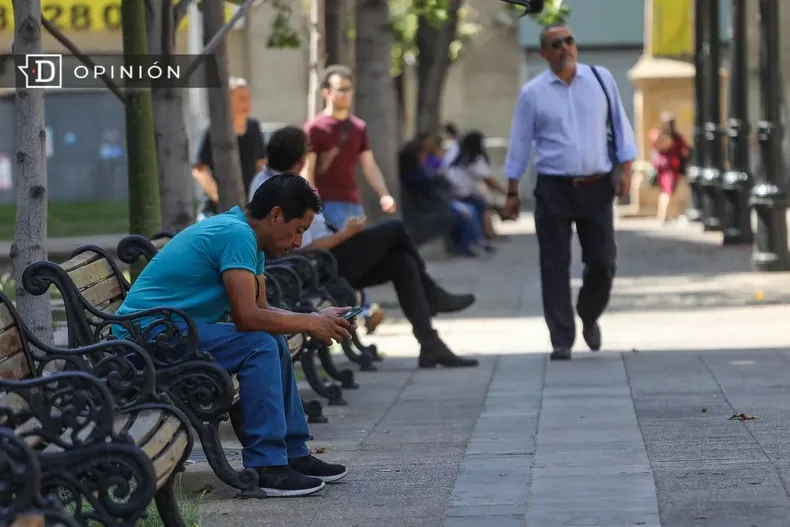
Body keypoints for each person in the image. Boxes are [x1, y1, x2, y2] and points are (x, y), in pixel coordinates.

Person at [115, 173, 351, 497]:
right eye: (298, 231)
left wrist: (311, 318)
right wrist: (309, 324)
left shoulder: (247, 237)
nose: (298, 243)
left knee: (272, 341)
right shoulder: (236, 234)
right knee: (259, 346)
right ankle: (267, 466)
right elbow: (248, 317)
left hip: (166, 332)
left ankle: (294, 454)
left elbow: (262, 309)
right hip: (142, 341)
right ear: (276, 215)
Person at [251, 126, 480, 369]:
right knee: (394, 229)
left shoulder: (280, 181)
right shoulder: (276, 189)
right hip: (317, 267)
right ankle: (433, 296)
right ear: (300, 160)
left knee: (403, 262)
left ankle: (430, 344)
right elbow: (300, 247)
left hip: (325, 259)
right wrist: (346, 234)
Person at [501, 23, 638, 361]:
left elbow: (620, 126)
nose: (564, 47)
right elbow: (519, 143)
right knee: (554, 264)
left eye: (569, 41)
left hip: (597, 185)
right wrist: (512, 191)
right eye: (555, 43)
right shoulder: (533, 92)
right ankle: (561, 338)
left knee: (603, 262)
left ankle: (588, 314)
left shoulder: (601, 79)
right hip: (554, 189)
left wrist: (626, 172)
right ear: (543, 53)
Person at [301, 64, 397, 229]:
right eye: (341, 89)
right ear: (327, 92)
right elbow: (307, 170)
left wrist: (384, 194)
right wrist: (313, 205)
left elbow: (369, 165)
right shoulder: (314, 128)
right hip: (325, 205)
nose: (347, 94)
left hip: (354, 204)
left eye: (349, 89)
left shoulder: (358, 127)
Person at [193, 77, 267, 220]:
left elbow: (260, 164)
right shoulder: (212, 129)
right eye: (241, 98)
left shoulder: (254, 127)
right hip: (214, 211)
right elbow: (199, 170)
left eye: (248, 97)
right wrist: (220, 198)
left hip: (247, 208)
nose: (247, 103)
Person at [446, 131, 510, 245]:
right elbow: (488, 179)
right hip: (462, 195)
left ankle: (486, 234)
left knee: (482, 203)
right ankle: (487, 235)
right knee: (483, 206)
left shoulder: (458, 156)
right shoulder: (474, 159)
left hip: (452, 192)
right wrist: (503, 191)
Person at [652, 112, 689, 224]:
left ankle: (669, 215)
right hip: (669, 168)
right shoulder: (665, 136)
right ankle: (663, 216)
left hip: (668, 167)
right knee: (667, 192)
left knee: (668, 191)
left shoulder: (667, 136)